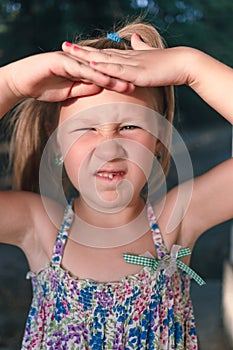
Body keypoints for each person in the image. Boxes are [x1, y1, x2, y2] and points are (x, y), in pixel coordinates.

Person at [0, 19, 232, 349]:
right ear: (57, 143)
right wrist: (9, 82)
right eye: (85, 129)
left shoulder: (177, 221)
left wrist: (190, 66)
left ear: (159, 141)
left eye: (129, 127)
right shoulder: (37, 225)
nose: (108, 148)